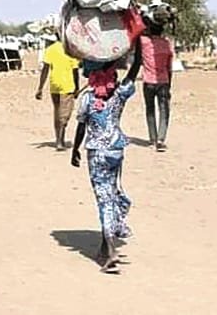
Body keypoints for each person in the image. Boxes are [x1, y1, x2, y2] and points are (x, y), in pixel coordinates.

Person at [71, 43, 142, 273]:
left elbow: (81, 126)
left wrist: (75, 149)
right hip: (116, 150)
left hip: (96, 153)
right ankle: (104, 246)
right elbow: (135, 69)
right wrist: (138, 46)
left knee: (104, 199)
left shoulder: (87, 99)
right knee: (112, 192)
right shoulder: (119, 95)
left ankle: (111, 251)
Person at [35, 35, 80, 150]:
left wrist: (40, 88)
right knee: (64, 114)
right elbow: (75, 71)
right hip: (67, 85)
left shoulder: (50, 49)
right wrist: (77, 87)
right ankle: (60, 142)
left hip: (54, 85)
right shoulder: (70, 49)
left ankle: (58, 139)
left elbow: (45, 69)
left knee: (57, 112)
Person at [139, 24, 174, 152]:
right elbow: (169, 67)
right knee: (164, 110)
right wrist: (169, 85)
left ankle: (152, 139)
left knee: (150, 109)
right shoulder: (166, 44)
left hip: (148, 81)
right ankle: (161, 139)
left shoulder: (144, 42)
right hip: (163, 81)